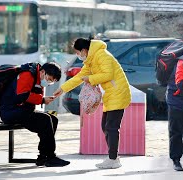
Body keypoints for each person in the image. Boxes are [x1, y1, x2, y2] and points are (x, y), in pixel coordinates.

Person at [53, 37, 131, 169]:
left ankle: (113, 159)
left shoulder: (102, 55)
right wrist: (63, 89)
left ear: (84, 50)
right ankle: (113, 157)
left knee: (111, 127)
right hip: (111, 95)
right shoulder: (91, 60)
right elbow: (78, 77)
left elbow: (108, 74)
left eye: (77, 52)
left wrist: (90, 78)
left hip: (118, 93)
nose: (77, 55)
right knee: (105, 126)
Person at [0, 62, 70, 167]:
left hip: (21, 111)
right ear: (42, 72)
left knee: (53, 119)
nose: (48, 83)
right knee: (45, 120)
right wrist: (42, 100)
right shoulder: (27, 74)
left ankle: (43, 157)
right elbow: (21, 95)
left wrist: (42, 99)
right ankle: (50, 157)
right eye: (49, 79)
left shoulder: (37, 78)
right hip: (10, 112)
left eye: (51, 82)